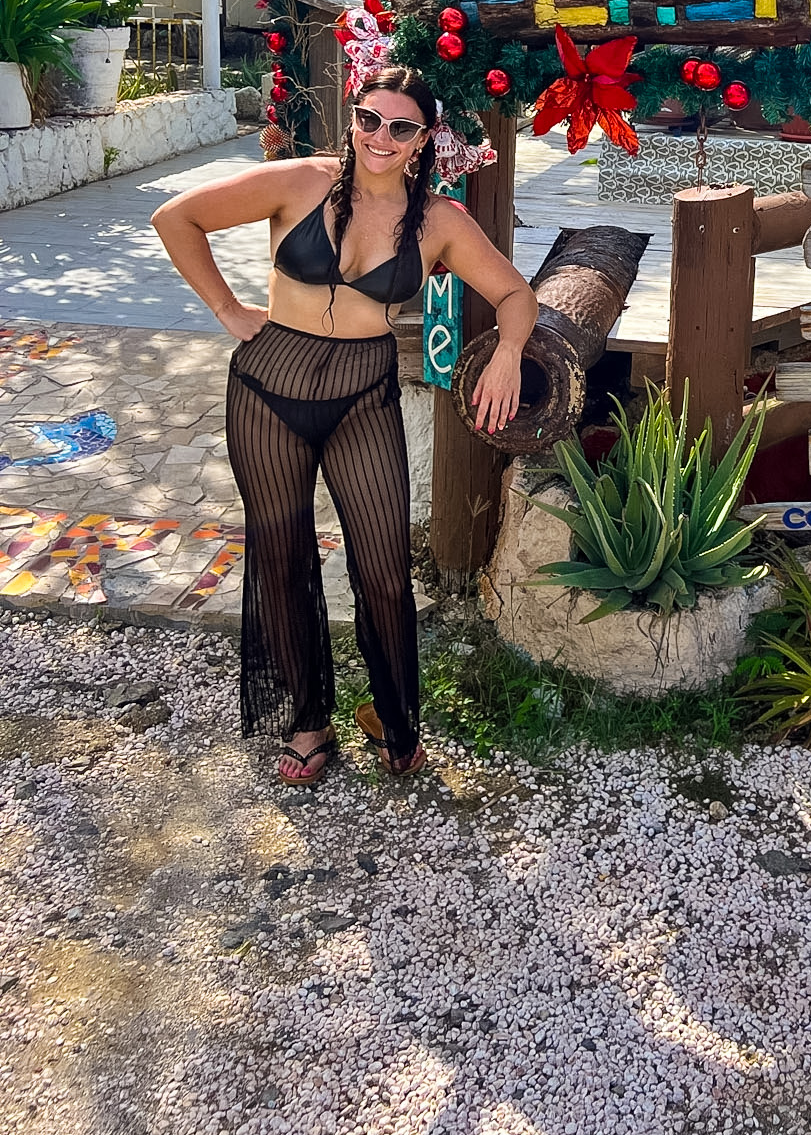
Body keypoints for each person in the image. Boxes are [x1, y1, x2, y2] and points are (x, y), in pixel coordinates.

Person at [152, 65, 537, 783]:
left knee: (384, 571)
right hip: (267, 390)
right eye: (368, 119)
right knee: (281, 558)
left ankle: (395, 717)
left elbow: (515, 293)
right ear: (352, 119)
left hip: (362, 397)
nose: (379, 137)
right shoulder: (300, 181)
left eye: (400, 127)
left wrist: (509, 352)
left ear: (422, 139)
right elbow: (175, 218)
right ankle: (308, 720)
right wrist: (227, 309)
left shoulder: (439, 222)